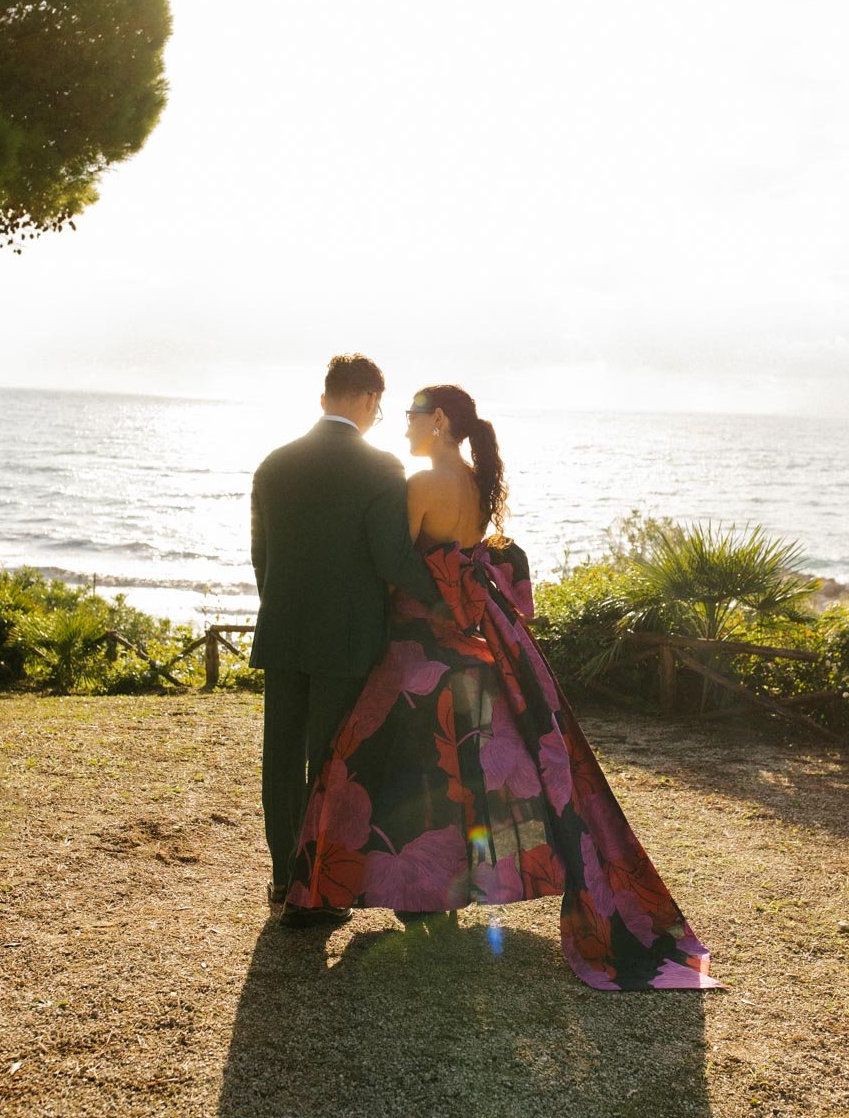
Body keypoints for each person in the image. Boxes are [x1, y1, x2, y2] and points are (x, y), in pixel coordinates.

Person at [284, 383, 722, 991]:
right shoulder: (476, 483)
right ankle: (440, 893)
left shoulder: (422, 485)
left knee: (374, 764)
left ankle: (389, 894)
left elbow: (396, 571)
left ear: (438, 420)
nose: (404, 425)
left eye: (411, 415)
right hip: (473, 646)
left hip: (418, 647)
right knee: (461, 773)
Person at [249, 353, 441, 924]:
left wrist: (284, 609)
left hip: (283, 630)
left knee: (282, 760)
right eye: (380, 409)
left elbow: (262, 558)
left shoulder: (273, 464)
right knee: (332, 762)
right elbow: (392, 558)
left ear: (325, 397)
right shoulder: (379, 467)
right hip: (347, 639)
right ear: (369, 399)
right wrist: (448, 591)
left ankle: (284, 877)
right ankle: (316, 890)